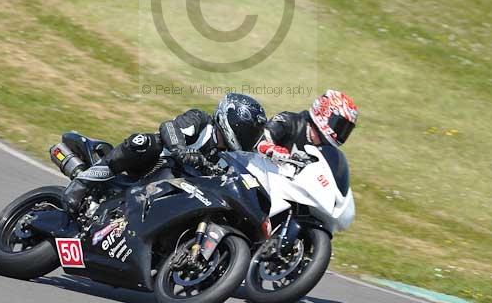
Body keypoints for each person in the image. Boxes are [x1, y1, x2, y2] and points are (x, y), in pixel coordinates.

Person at [59, 92, 267, 214]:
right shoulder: (202, 121)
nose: (249, 136)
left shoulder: (229, 160)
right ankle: (83, 183)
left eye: (253, 134)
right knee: (142, 142)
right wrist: (180, 149)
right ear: (232, 120)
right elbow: (169, 127)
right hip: (150, 167)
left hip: (176, 193)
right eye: (248, 129)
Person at [257, 90, 358, 193]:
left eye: (346, 129)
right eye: (340, 126)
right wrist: (271, 148)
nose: (340, 133)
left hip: (294, 191)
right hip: (264, 179)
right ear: (325, 112)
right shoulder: (289, 121)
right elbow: (263, 137)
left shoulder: (327, 151)